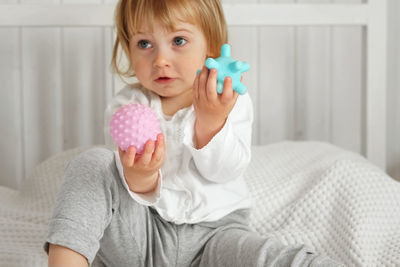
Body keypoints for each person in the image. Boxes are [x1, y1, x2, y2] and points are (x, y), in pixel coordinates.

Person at [44, 0, 343, 266]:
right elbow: (125, 183)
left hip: (215, 235)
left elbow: (226, 171)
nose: (160, 59)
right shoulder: (128, 105)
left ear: (210, 45)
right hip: (142, 239)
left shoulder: (228, 99)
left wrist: (212, 121)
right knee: (92, 163)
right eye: (145, 44)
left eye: (178, 40)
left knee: (268, 256)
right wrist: (142, 177)